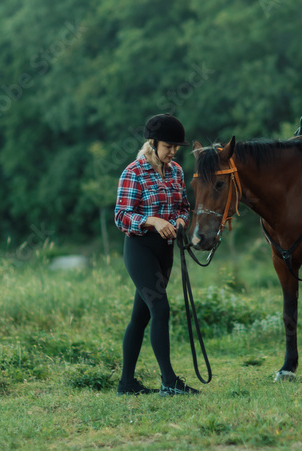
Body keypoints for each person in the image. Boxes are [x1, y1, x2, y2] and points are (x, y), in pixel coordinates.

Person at [114, 113, 199, 396]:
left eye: (176, 147)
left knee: (141, 316)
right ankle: (169, 382)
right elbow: (121, 216)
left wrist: (180, 221)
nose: (173, 152)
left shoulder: (175, 171)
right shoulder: (133, 172)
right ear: (152, 143)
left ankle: (127, 384)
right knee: (160, 308)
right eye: (168, 146)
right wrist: (153, 222)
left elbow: (184, 207)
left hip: (166, 251)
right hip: (140, 249)